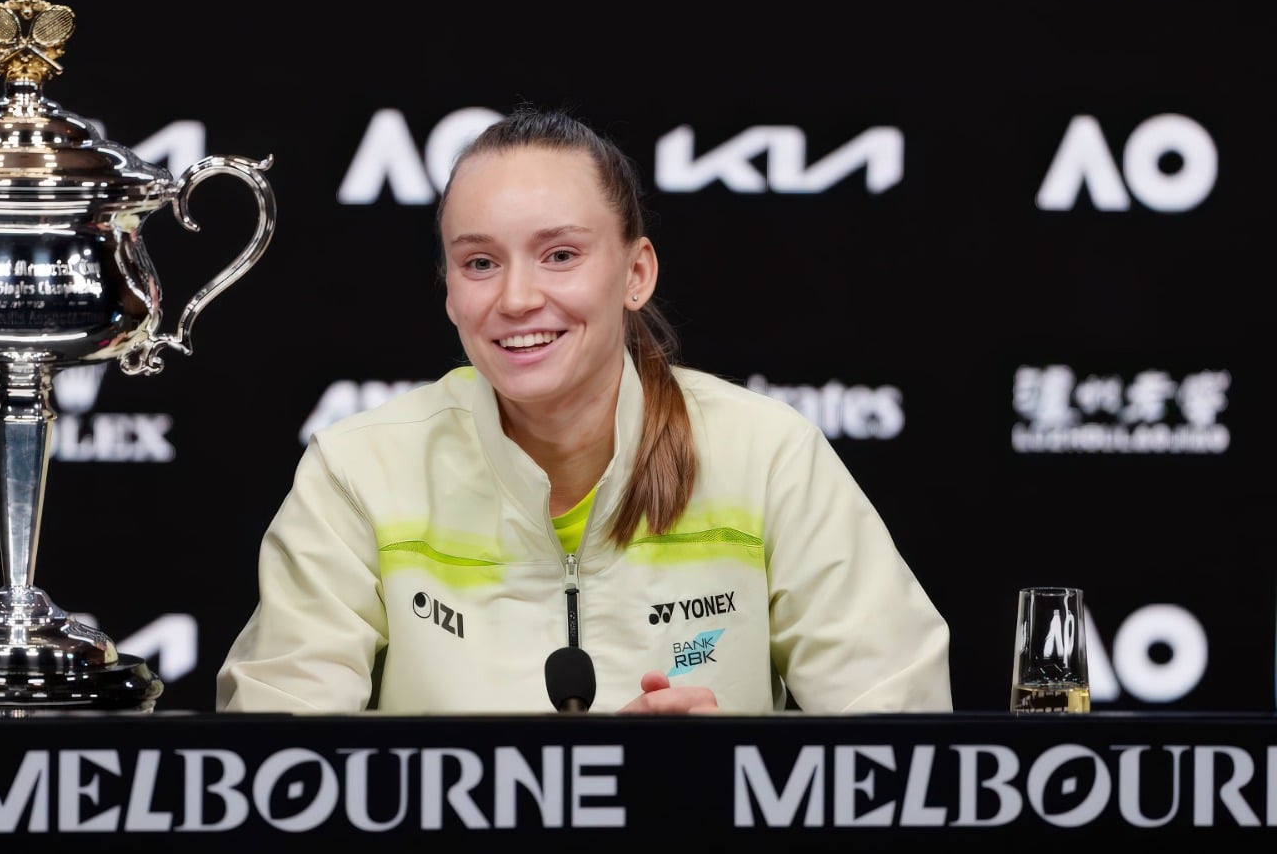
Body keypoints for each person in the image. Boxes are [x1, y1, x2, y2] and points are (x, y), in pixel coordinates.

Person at [216, 105, 952, 715]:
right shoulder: (358, 471)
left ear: (636, 273)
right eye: (479, 263)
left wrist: (723, 787)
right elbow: (280, 770)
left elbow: (903, 749)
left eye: (560, 255)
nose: (516, 299)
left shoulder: (769, 457)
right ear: (448, 292)